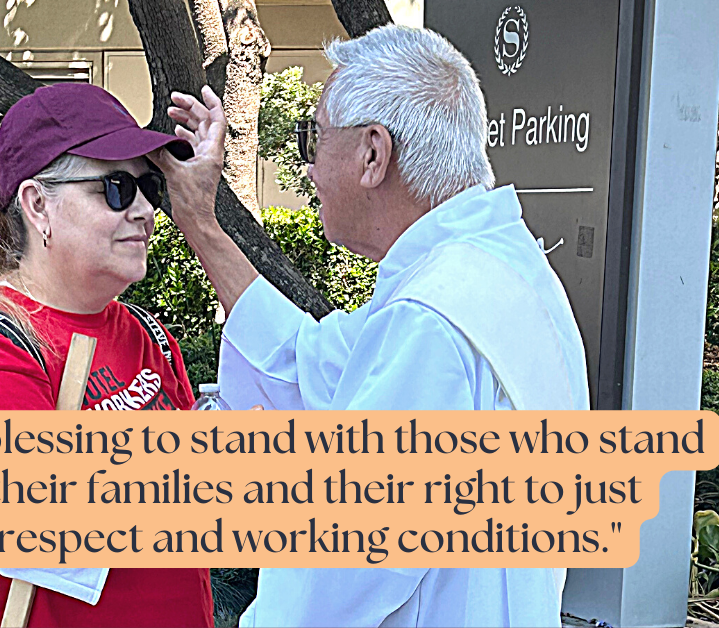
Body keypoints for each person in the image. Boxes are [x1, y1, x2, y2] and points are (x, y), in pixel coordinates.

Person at [154, 25, 589, 627]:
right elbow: (309, 361)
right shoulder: (501, 270)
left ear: (373, 154)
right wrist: (201, 222)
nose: (308, 168)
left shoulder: (431, 320)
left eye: (314, 138)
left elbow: (338, 571)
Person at [0, 82, 214, 627]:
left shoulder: (146, 333)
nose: (146, 210)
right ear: (37, 205)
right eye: (117, 188)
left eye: (150, 187)